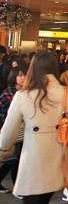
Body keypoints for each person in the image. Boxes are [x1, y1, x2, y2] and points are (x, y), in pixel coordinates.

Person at [0, 51, 68, 204]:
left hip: (34, 163)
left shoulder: (22, 96)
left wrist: (4, 147)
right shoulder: (67, 92)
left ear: (33, 69)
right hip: (62, 162)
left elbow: (6, 138)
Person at [0, 67, 26, 195]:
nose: (24, 77)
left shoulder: (23, 92)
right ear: (14, 78)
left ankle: (18, 186)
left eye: (24, 75)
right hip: (12, 131)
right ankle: (18, 187)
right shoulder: (8, 94)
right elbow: (4, 116)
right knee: (15, 159)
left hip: (22, 132)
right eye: (20, 75)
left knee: (15, 159)